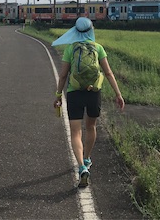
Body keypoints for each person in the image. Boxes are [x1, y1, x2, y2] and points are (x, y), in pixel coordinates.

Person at [52, 17, 125, 188]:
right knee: (91, 127)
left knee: (75, 133)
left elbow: (63, 75)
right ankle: (87, 158)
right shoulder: (98, 48)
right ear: (92, 30)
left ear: (76, 31)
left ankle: (81, 167)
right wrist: (118, 94)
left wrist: (57, 95)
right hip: (94, 93)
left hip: (74, 93)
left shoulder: (71, 49)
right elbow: (108, 73)